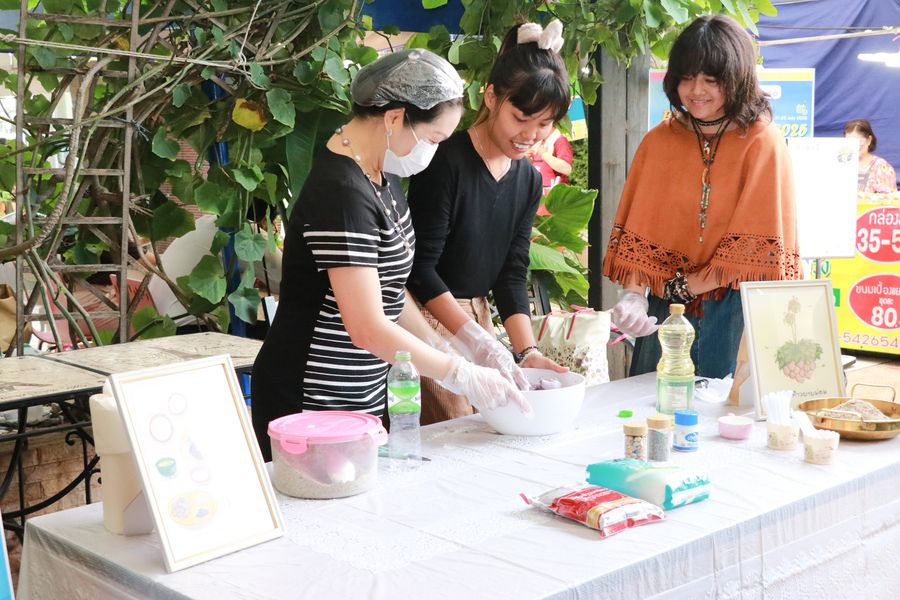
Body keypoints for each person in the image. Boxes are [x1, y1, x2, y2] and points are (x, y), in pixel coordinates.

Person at [251, 49, 530, 460]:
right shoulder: (342, 192)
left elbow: (390, 294)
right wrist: (457, 373)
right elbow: (366, 326)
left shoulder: (381, 173)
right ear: (396, 118)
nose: (433, 152)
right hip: (311, 396)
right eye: (433, 139)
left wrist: (459, 344)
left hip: (360, 391)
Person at [602, 14, 800, 379]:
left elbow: (757, 250)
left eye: (711, 80)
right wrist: (634, 295)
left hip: (734, 306)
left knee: (724, 408)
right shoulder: (659, 141)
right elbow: (641, 231)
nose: (696, 90)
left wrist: (684, 286)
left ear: (737, 79)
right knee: (652, 402)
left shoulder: (763, 142)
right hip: (665, 306)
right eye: (687, 77)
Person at [406, 20, 570, 425]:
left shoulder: (528, 179)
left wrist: (527, 352)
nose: (530, 135)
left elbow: (512, 272)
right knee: (454, 435)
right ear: (492, 96)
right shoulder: (445, 160)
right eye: (521, 117)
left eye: (544, 124)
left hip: (478, 321)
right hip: (428, 321)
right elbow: (420, 270)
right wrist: (475, 341)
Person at [843, 119, 897, 193]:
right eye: (849, 142)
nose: (854, 145)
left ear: (869, 140)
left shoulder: (881, 166)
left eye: (859, 141)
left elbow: (890, 198)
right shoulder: (841, 164)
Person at [527, 127, 574, 193]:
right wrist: (526, 158)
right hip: (537, 189)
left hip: (553, 191)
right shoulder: (539, 141)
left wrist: (544, 154)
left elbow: (567, 169)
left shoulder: (560, 140)